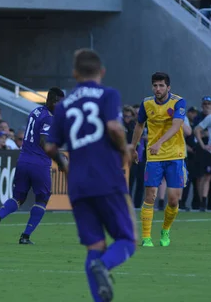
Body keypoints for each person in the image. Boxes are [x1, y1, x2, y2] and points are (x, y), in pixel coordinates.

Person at [45, 49, 136, 302]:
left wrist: (64, 168)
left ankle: (99, 289)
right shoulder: (108, 94)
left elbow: (51, 146)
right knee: (128, 240)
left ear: (75, 74)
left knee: (94, 247)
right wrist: (124, 148)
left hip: (78, 184)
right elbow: (114, 126)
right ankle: (104, 266)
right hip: (107, 178)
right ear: (102, 72)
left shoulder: (64, 105)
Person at [0, 87, 65, 244]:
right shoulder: (49, 118)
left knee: (18, 198)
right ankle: (25, 236)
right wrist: (60, 159)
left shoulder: (36, 112)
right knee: (42, 199)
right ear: (52, 101)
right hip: (39, 163)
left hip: (23, 160)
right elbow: (44, 141)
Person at [130, 72, 186, 248]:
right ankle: (146, 237)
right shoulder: (146, 103)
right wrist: (133, 147)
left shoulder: (178, 102)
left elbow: (177, 125)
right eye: (155, 85)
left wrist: (159, 142)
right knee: (150, 195)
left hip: (175, 155)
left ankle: (165, 230)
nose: (158, 88)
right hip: (154, 157)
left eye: (161, 85)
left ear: (168, 87)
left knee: (173, 200)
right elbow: (139, 125)